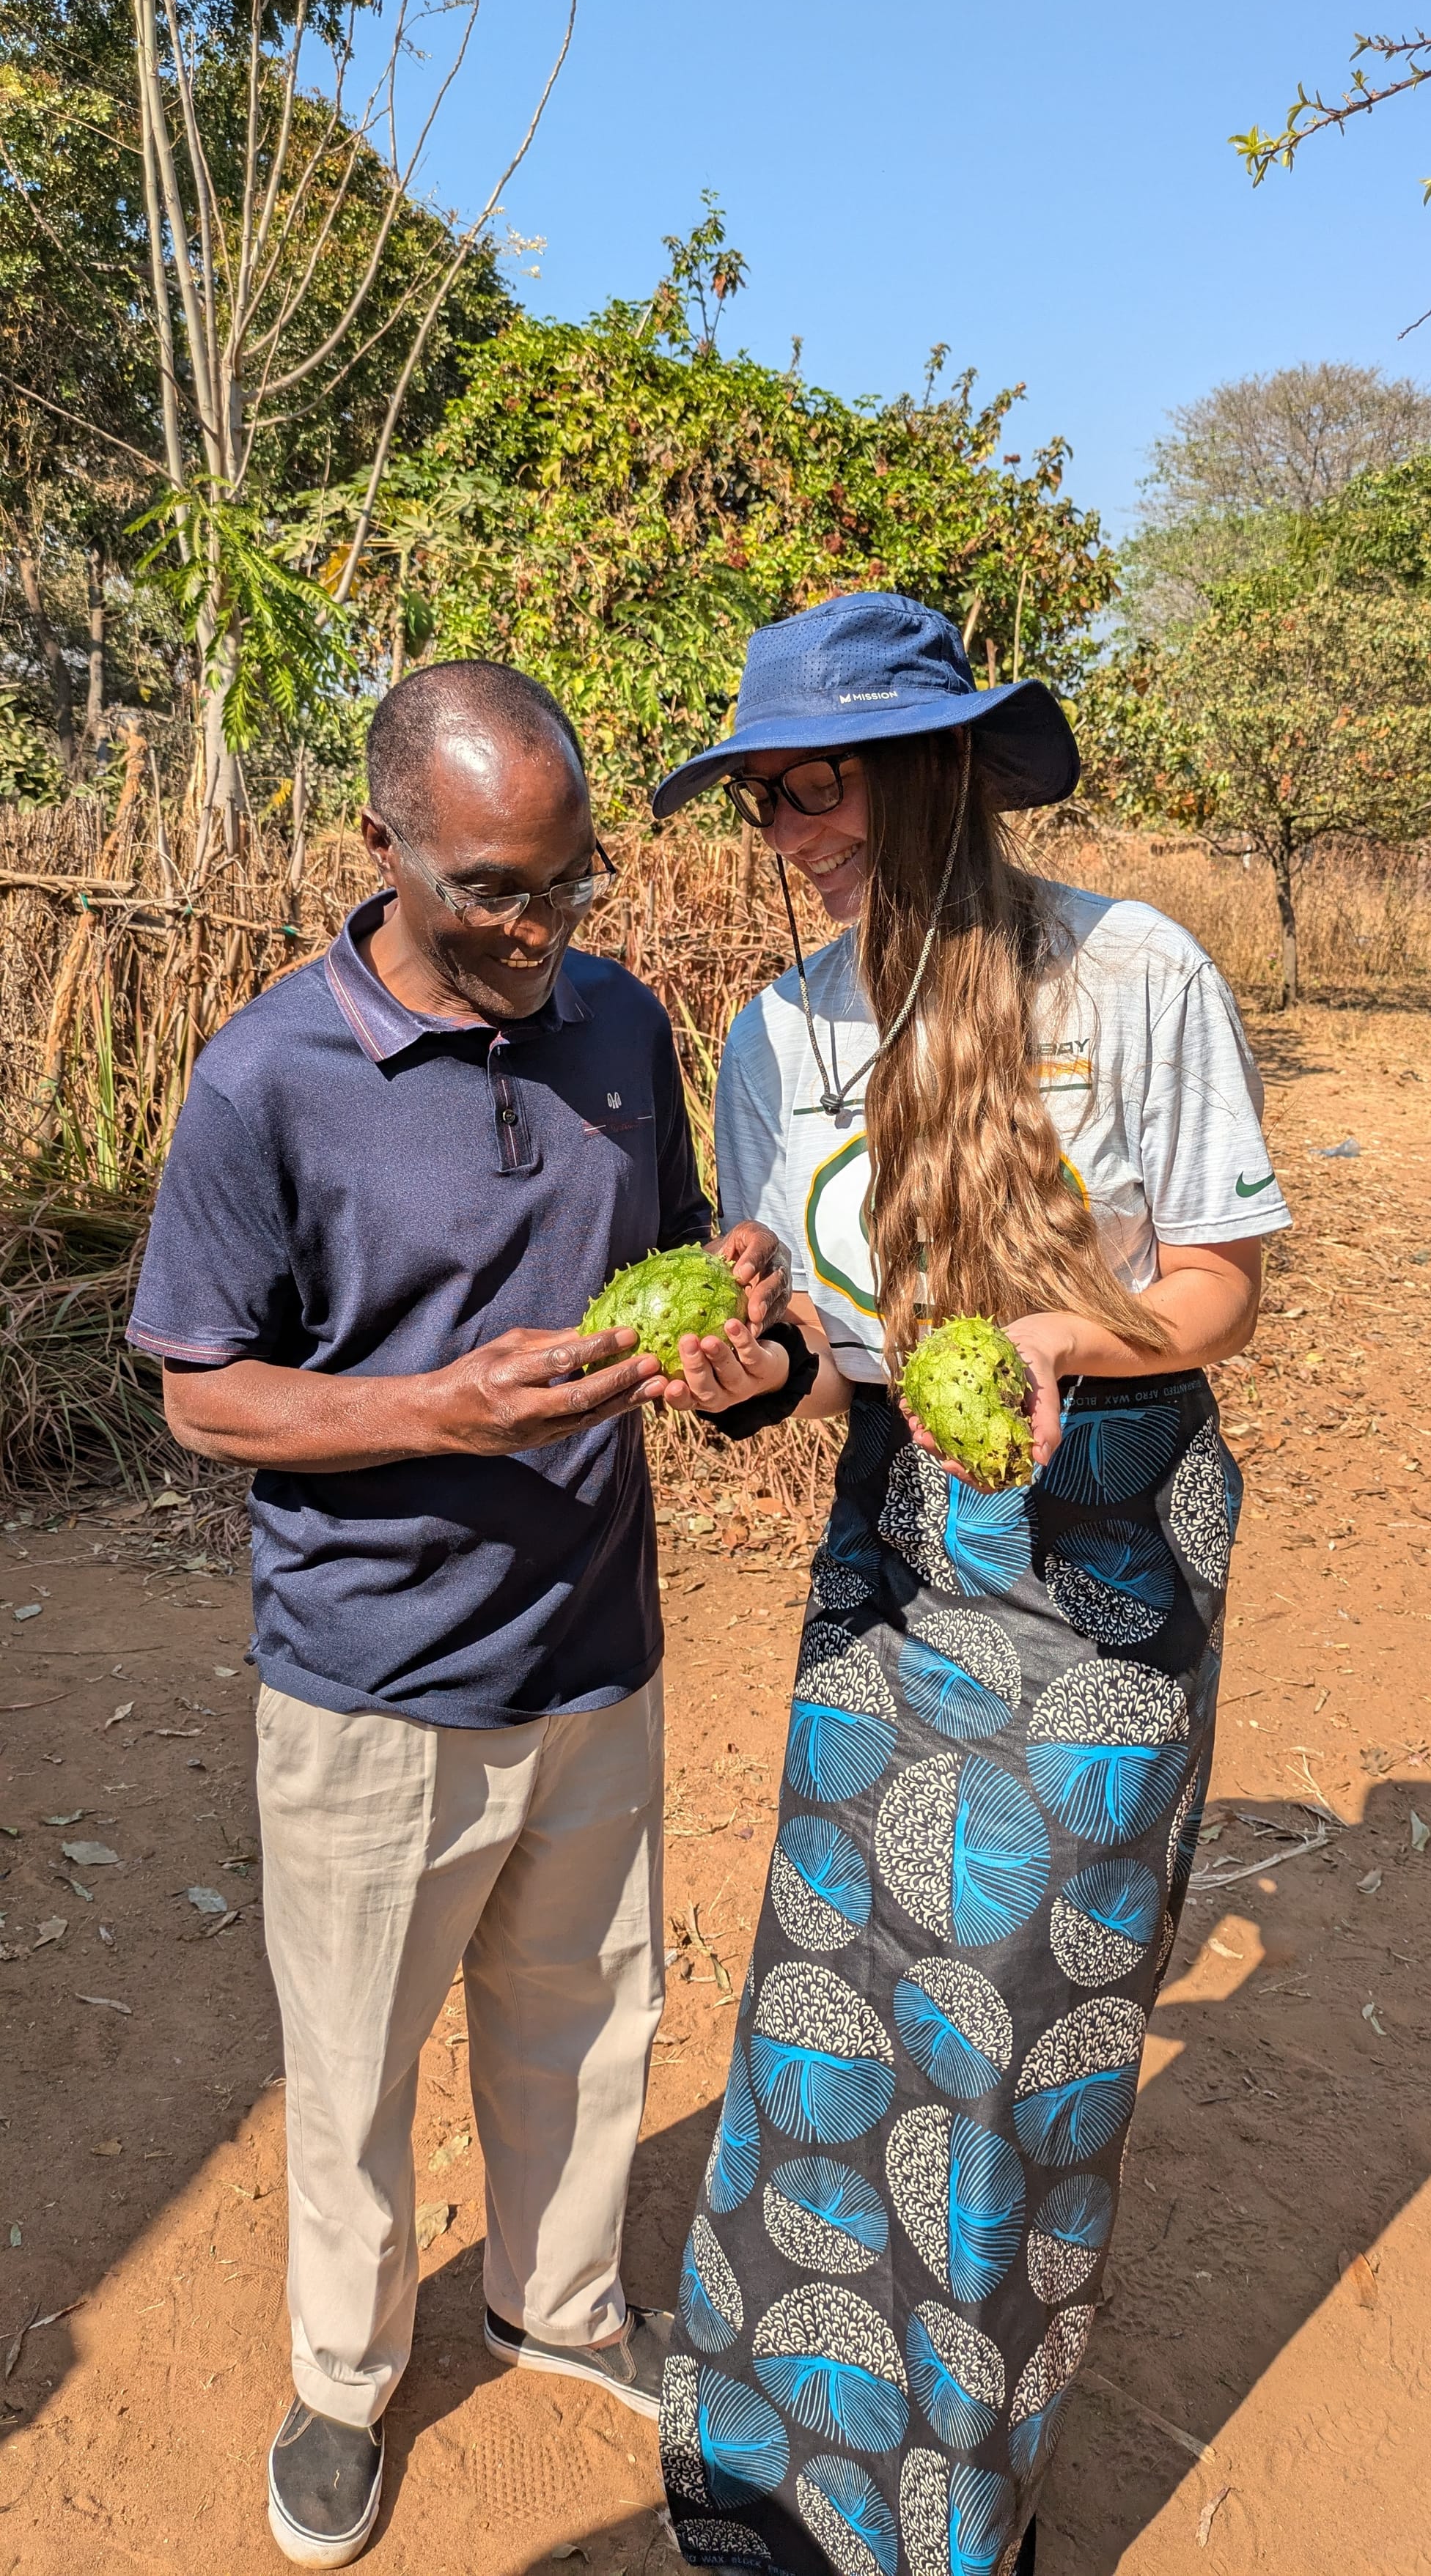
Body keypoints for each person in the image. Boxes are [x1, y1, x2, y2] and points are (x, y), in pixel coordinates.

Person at [645, 593, 1291, 2576]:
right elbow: (799, 1339)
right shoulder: (781, 1029)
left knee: (1024, 2032)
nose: (787, 824)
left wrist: (1050, 1340)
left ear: (936, 769)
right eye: (760, 794)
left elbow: (1223, 1286)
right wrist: (725, 1352)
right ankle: (772, 2479)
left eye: (820, 780)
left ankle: (953, 2510)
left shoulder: (1131, 969)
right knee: (826, 2003)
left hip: (1101, 1550)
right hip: (898, 1546)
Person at [125, 659, 792, 2570]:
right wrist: (441, 1405)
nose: (536, 930)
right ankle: (347, 2373)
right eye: (495, 888)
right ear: (384, 848)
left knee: (585, 2016)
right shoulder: (270, 1077)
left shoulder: (614, 1022)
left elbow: (667, 1259)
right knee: (351, 2066)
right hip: (372, 1683)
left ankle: (557, 2299)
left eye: (567, 884)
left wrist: (724, 1301)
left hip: (597, 1643)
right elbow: (201, 1389)